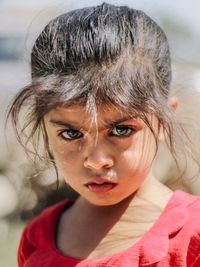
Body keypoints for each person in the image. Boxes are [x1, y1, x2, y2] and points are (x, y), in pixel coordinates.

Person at [8, 2, 200, 267]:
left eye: (121, 130)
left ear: (164, 121)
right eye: (70, 133)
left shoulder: (192, 235)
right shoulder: (38, 236)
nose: (96, 160)